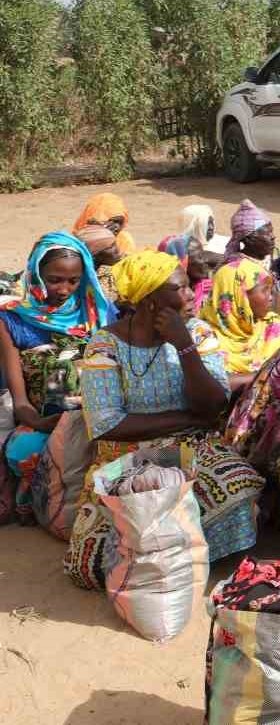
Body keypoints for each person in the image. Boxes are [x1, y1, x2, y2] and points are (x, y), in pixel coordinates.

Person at [78, 251, 264, 563]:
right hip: (128, 456)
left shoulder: (199, 333)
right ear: (150, 301)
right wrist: (187, 418)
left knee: (238, 484)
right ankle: (164, 557)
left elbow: (213, 405)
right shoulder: (105, 345)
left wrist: (185, 346)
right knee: (95, 556)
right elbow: (106, 425)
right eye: (180, 288)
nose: (192, 294)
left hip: (194, 450)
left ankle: (188, 558)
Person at [0, 233, 114, 525]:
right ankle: (37, 503)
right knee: (23, 450)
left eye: (73, 281)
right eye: (54, 279)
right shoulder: (12, 320)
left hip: (100, 415)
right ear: (35, 273)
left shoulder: (98, 313)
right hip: (44, 418)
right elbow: (20, 400)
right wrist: (41, 423)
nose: (64, 289)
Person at [199, 257, 280, 391]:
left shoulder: (275, 331)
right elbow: (208, 387)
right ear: (239, 297)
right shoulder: (203, 335)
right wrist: (271, 375)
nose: (271, 297)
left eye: (271, 289)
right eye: (264, 290)